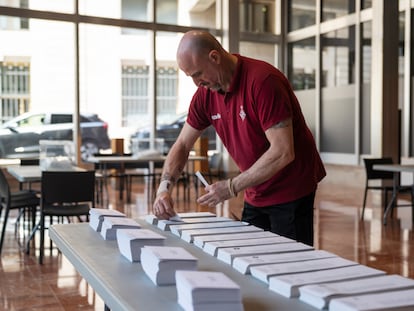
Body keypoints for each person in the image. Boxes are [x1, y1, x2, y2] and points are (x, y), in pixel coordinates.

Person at [152, 30, 326, 246]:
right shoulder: (205, 95)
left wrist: (231, 186)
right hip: (256, 189)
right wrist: (164, 189)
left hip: (291, 188)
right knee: (250, 260)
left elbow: (283, 151)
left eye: (198, 74)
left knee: (290, 267)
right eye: (191, 77)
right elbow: (183, 144)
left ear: (214, 57)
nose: (196, 83)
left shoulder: (263, 82)